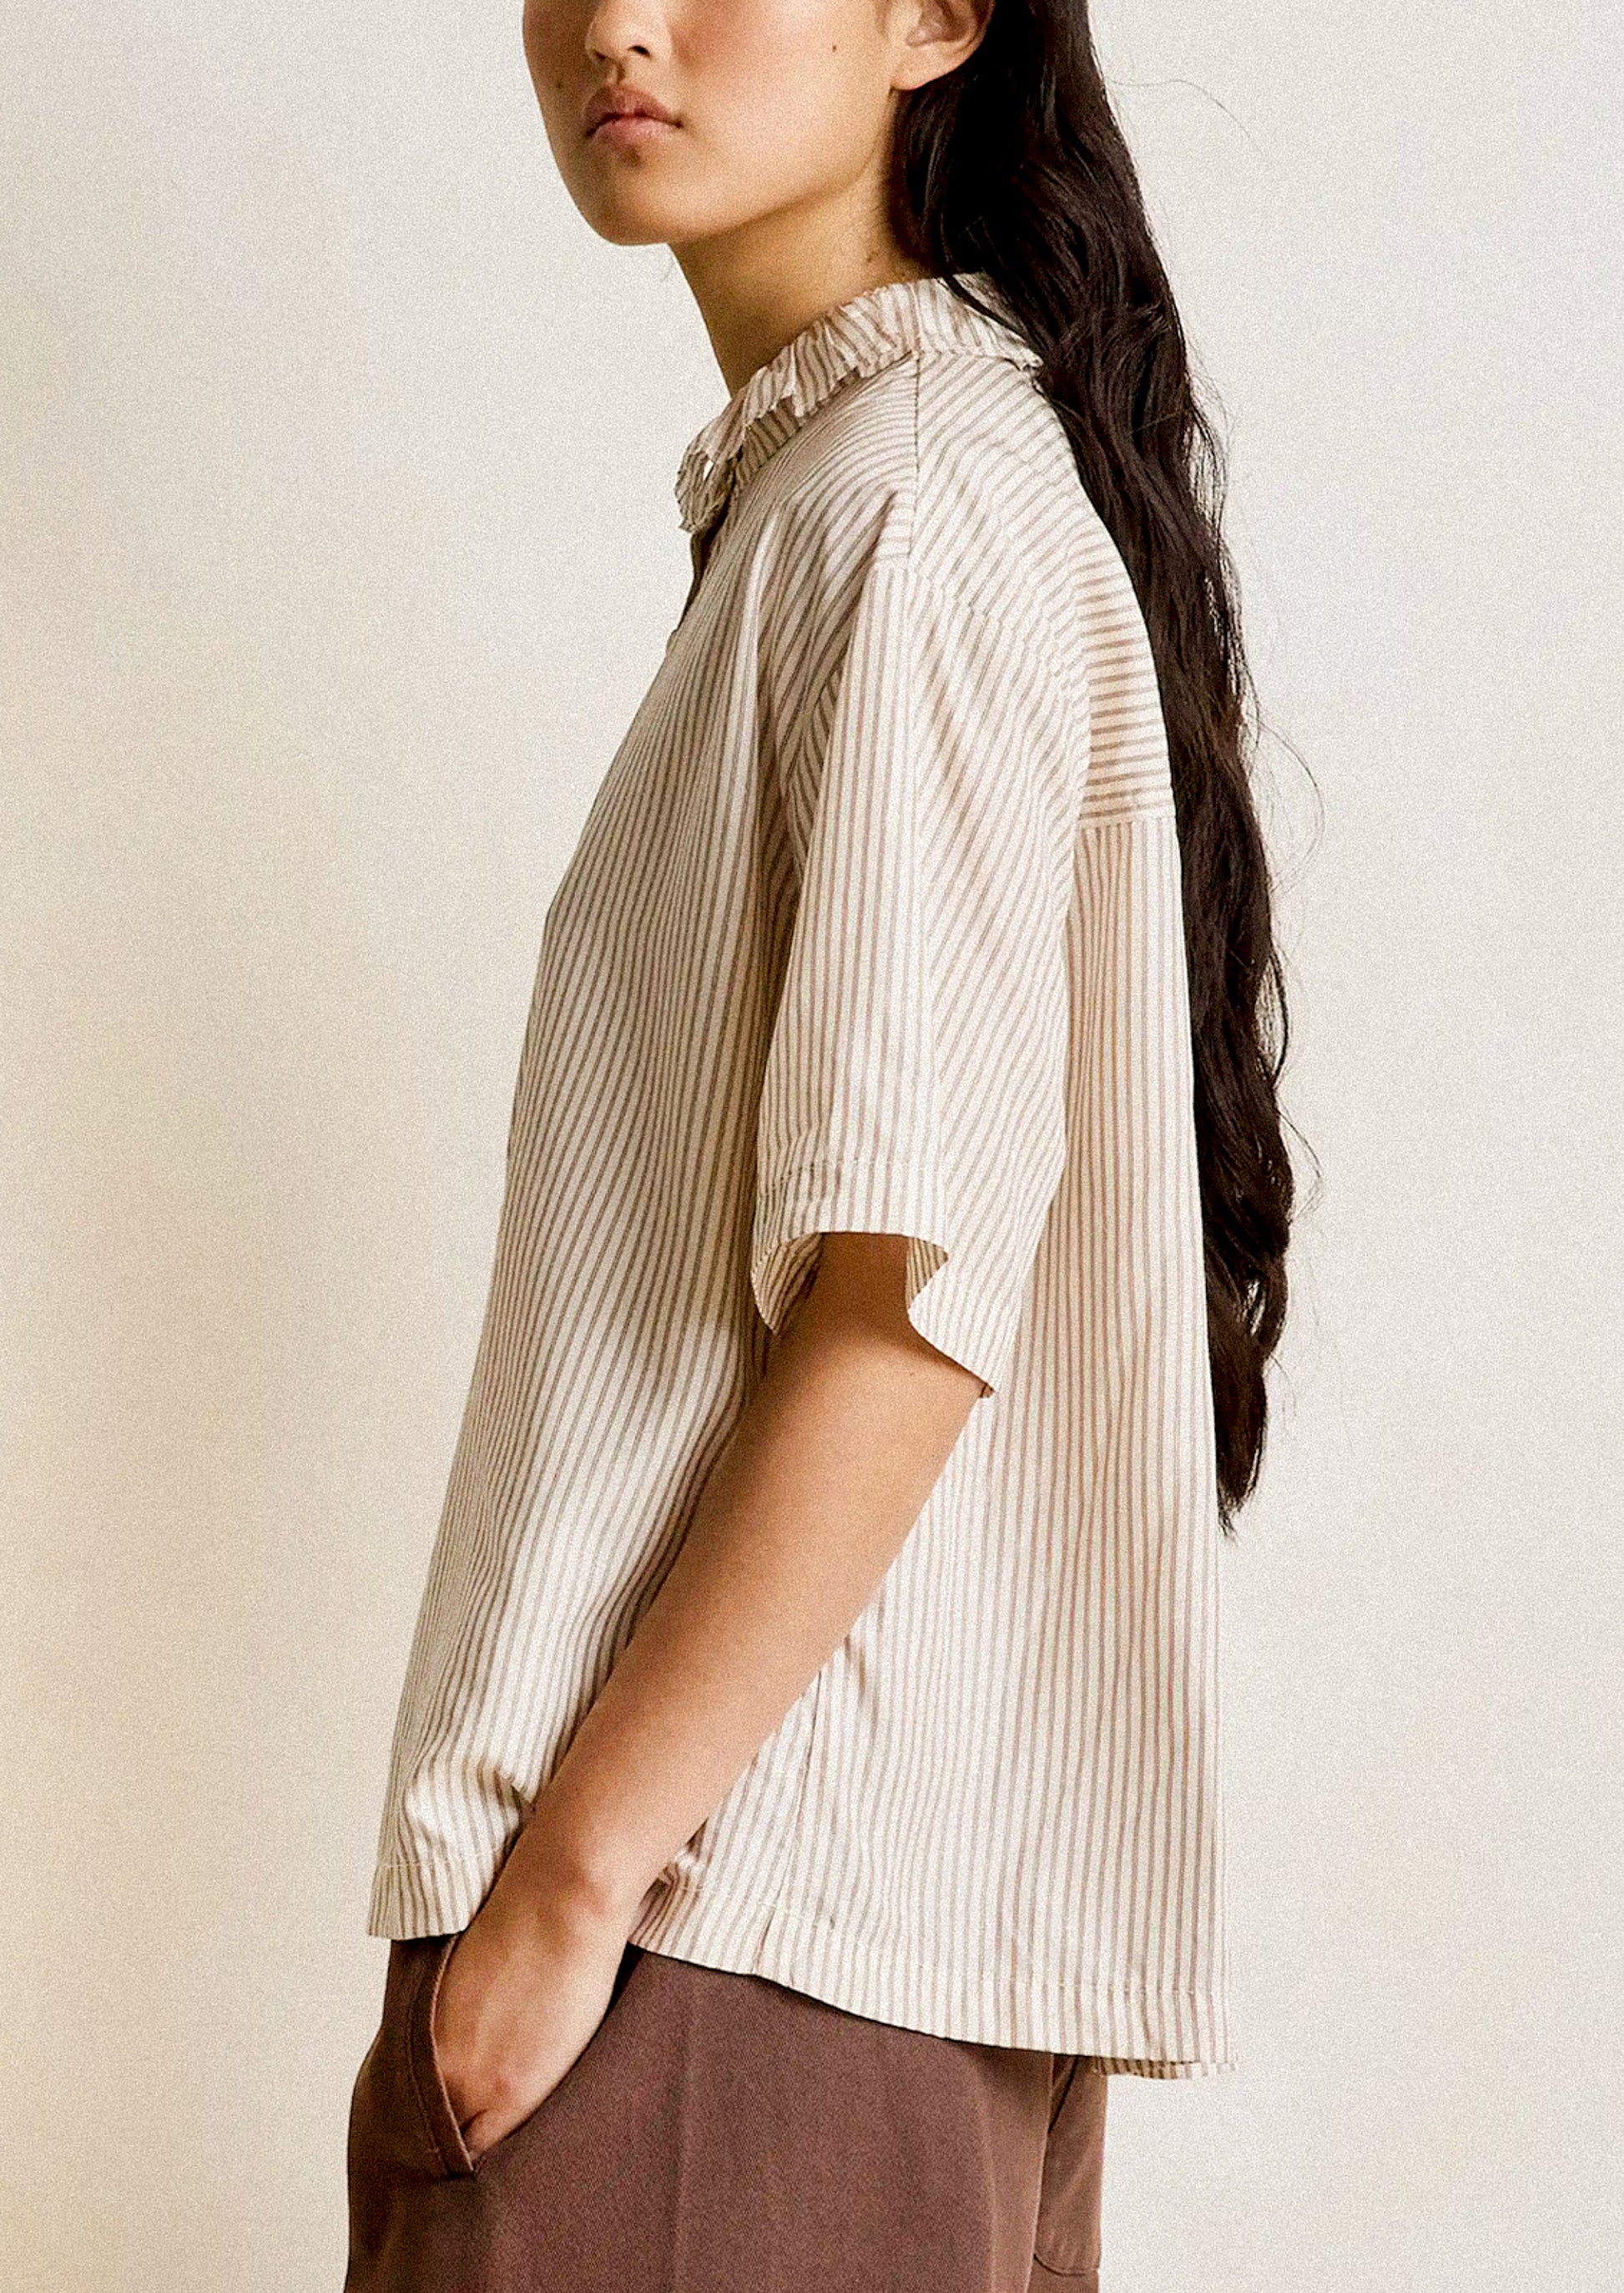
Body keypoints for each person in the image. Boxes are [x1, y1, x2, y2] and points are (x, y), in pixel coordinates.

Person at [343, 0, 1295, 2280]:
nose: (620, 24)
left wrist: (567, 1889)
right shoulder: (875, 485)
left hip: (716, 1946)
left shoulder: (910, 504)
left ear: (937, 19)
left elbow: (903, 1310)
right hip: (815, 1944)